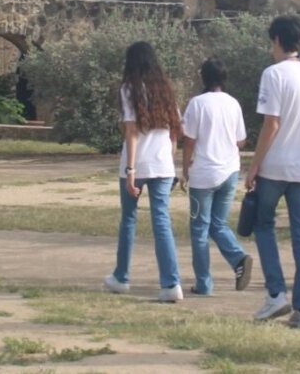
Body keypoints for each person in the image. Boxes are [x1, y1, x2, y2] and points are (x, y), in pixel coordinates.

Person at [245, 16, 300, 330]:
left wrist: (254, 164)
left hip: (275, 165)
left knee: (264, 224)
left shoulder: (273, 74)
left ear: (279, 40)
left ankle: (275, 293)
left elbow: (272, 123)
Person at [103, 41, 184, 302]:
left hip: (138, 163)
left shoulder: (129, 89)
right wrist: (172, 162)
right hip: (162, 163)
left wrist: (130, 170)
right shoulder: (166, 90)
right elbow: (174, 130)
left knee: (129, 219)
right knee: (162, 221)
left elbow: (131, 131)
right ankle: (171, 284)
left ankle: (121, 277)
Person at [180, 58, 253, 295]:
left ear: (203, 78)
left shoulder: (197, 103)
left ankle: (204, 283)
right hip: (229, 170)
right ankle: (238, 257)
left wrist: (184, 169)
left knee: (200, 229)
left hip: (204, 173)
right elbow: (241, 140)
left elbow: (189, 140)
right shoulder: (233, 103)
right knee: (218, 224)